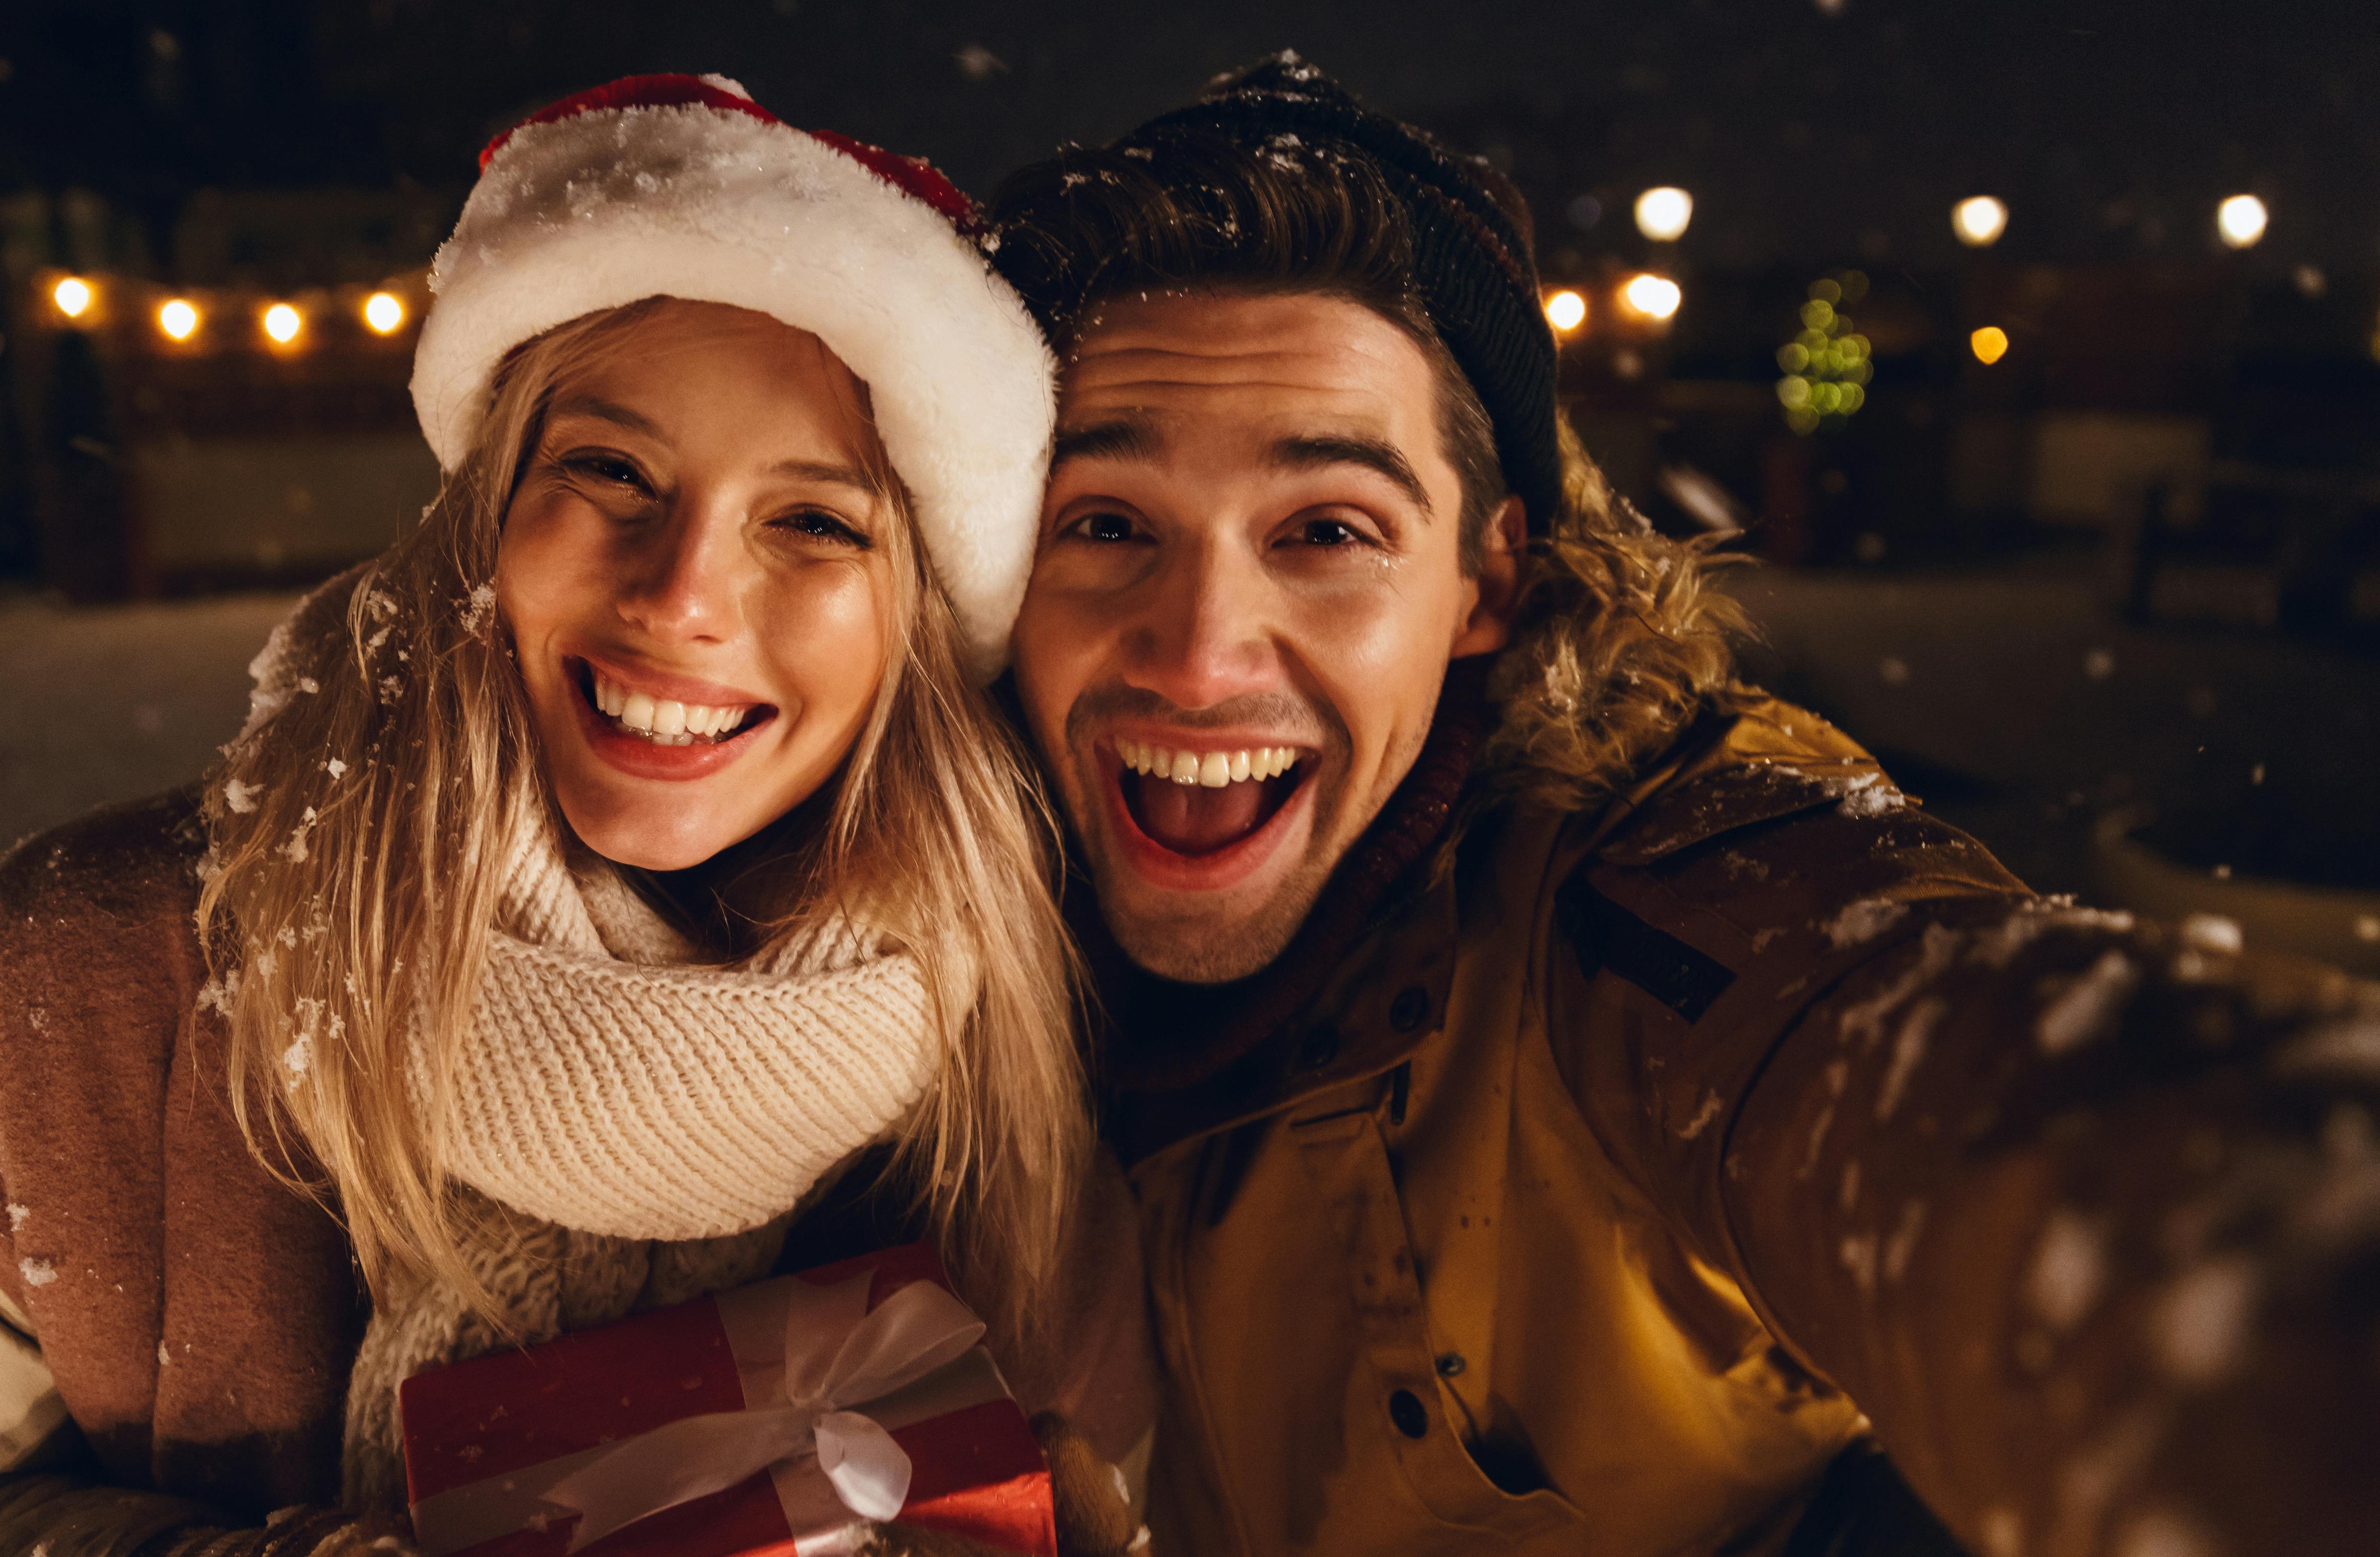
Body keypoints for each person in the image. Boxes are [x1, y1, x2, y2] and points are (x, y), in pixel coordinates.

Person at [985, 53, 2379, 1556]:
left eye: (1326, 528)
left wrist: (2278, 1285)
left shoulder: (1649, 910)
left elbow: (1991, 1108)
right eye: (1106, 522)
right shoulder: (900, 911)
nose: (1197, 651)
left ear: (1485, 582)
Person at [0, 76, 1150, 1557]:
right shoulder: (61, 983)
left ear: (917, 620)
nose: (681, 596)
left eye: (814, 520)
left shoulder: (1010, 1032)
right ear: (483, 507)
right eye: (609, 469)